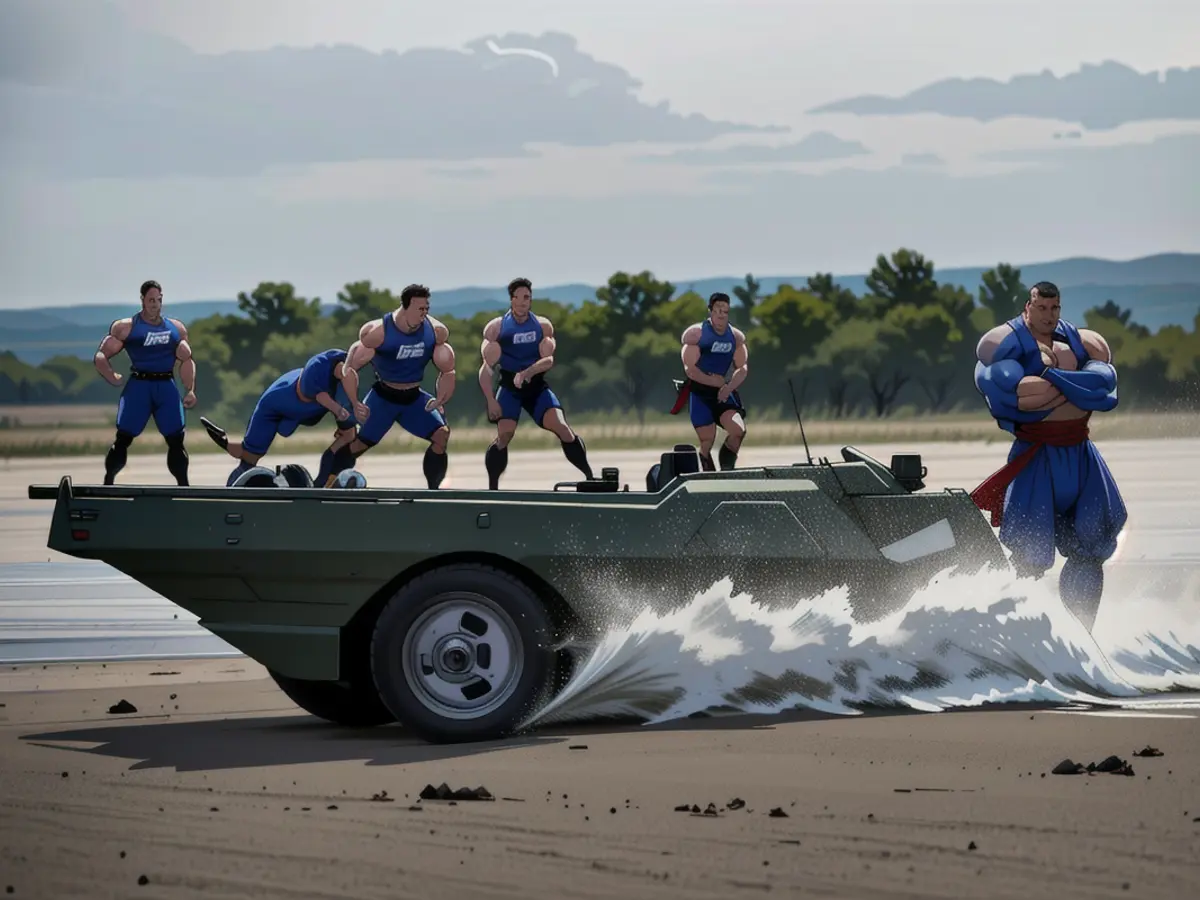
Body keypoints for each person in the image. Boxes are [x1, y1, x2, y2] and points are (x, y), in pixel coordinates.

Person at [971, 281, 1128, 618]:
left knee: (1092, 545)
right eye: (1041, 308)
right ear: (1027, 307)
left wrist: (1053, 380)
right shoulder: (1005, 344)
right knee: (1030, 554)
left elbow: (1104, 383)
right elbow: (1009, 388)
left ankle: (1082, 634)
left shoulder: (1083, 342)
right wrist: (1071, 386)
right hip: (1037, 456)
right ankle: (1018, 631)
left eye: (1054, 308)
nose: (1048, 314)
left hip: (1080, 454)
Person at [478, 277, 593, 490]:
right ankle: (493, 486)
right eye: (518, 298)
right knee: (504, 435)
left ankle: (589, 475)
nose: (523, 302)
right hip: (510, 387)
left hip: (536, 385)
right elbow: (486, 369)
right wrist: (490, 400)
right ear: (511, 300)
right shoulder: (497, 328)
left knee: (562, 427)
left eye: (527, 298)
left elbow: (548, 360)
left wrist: (528, 372)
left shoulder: (541, 326)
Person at [337, 284, 456, 489]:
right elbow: (349, 369)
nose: (424, 314)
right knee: (356, 446)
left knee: (441, 435)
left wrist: (441, 397)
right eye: (420, 309)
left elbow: (448, 368)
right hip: (383, 398)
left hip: (414, 398)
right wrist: (355, 403)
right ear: (406, 307)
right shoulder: (377, 333)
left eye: (427, 309)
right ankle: (330, 483)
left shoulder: (434, 332)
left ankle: (434, 490)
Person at [198, 348, 362, 487]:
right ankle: (233, 493)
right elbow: (321, 397)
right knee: (248, 457)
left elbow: (347, 432)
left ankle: (329, 483)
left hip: (313, 405)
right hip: (282, 402)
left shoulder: (342, 382)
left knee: (347, 441)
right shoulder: (316, 371)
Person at [93, 279, 197, 486]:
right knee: (123, 438)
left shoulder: (176, 329)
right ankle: (109, 480)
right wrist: (110, 375)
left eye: (158, 300)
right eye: (150, 300)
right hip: (139, 386)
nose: (154, 304)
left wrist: (190, 389)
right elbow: (102, 355)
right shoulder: (127, 328)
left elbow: (186, 359)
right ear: (142, 300)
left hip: (166, 385)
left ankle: (184, 485)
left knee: (176, 439)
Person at [670, 292, 749, 471]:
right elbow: (690, 369)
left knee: (738, 430)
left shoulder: (735, 337)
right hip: (700, 393)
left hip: (723, 392)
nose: (721, 315)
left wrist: (728, 388)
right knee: (707, 440)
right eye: (717, 310)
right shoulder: (696, 335)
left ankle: (728, 467)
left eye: (725, 311)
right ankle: (706, 466)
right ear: (710, 311)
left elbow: (742, 368)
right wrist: (710, 381)